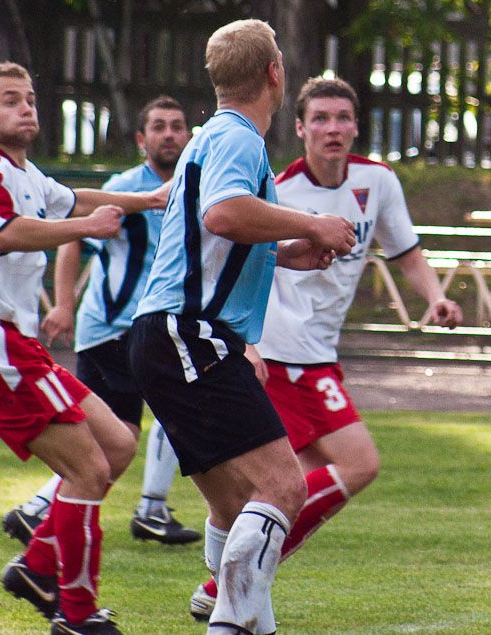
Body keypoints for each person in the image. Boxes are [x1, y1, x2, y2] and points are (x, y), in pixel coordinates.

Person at [187, 76, 464, 621]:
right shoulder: (281, 189)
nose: (332, 128)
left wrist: (435, 296)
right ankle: (234, 578)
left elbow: (405, 250)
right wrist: (248, 343)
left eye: (342, 117)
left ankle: (229, 582)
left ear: (356, 126)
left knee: (289, 480)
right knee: (358, 464)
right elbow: (241, 266)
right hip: (287, 351)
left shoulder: (377, 182)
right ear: (300, 128)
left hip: (320, 351)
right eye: (320, 118)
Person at [126, 19, 356, 635]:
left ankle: (252, 625)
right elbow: (225, 214)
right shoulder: (239, 139)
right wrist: (310, 224)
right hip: (190, 332)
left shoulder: (211, 137)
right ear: (274, 74)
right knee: (284, 487)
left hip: (168, 334)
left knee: (234, 508)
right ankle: (227, 625)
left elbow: (206, 237)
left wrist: (280, 251)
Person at [0, 61, 170, 634]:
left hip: (18, 342)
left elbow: (75, 198)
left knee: (116, 445)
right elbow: (4, 233)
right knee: (87, 468)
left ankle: (38, 568)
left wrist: (151, 199)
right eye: (12, 100)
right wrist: (85, 230)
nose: (27, 107)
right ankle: (77, 614)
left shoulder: (25, 173)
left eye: (31, 98)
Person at [1, 96, 202, 548]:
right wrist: (65, 304)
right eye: (159, 127)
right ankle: (46, 511)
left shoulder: (194, 187)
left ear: (189, 136)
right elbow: (76, 237)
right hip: (116, 327)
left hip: (158, 326)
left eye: (177, 126)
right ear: (140, 139)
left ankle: (134, 507)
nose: (169, 134)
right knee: (120, 435)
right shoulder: (127, 187)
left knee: (150, 422)